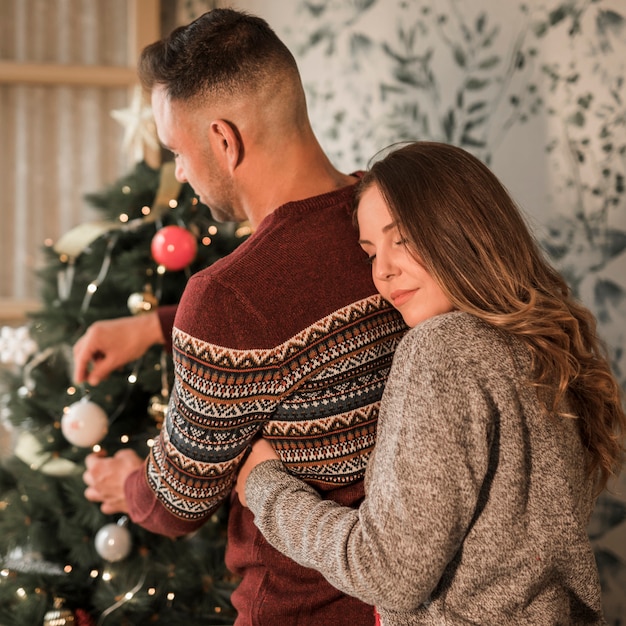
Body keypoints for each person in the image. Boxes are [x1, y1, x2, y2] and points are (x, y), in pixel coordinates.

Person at [76, 8, 407, 626]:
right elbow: (297, 322)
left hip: (298, 609)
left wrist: (125, 481)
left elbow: (178, 501)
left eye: (177, 151)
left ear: (225, 141)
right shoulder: (395, 225)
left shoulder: (230, 300)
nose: (179, 172)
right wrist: (156, 324)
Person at [236, 141, 626, 625]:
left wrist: (266, 489)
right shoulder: (540, 346)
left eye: (401, 240)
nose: (383, 270)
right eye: (370, 252)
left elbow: (388, 572)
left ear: (462, 230)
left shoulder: (443, 347)